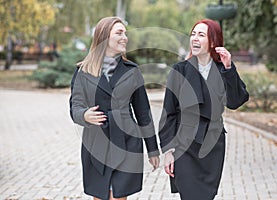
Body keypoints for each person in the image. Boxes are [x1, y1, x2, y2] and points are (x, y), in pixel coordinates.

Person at [69, 16, 160, 200]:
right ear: (104, 37)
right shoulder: (83, 71)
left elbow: (143, 113)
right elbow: (75, 106)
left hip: (127, 141)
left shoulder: (132, 71)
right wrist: (85, 115)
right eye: (119, 33)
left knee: (119, 196)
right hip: (96, 143)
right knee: (101, 195)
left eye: (125, 33)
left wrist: (152, 149)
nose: (125, 37)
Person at [158, 19, 249, 200]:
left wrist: (229, 68)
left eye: (201, 35)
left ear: (213, 41)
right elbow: (169, 112)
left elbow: (235, 101)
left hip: (212, 144)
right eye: (193, 34)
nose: (194, 39)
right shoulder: (180, 70)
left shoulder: (224, 69)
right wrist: (168, 151)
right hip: (184, 144)